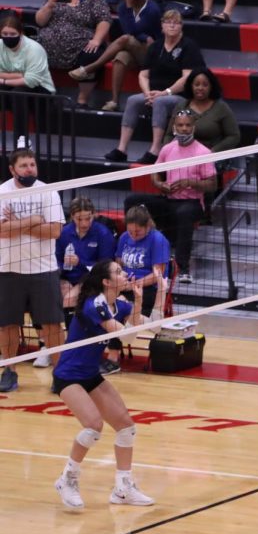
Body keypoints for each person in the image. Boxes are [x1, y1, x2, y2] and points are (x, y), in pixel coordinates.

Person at [51, 259, 155, 509]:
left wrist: (140, 303)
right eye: (119, 272)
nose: (125, 274)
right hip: (68, 375)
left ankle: (123, 489)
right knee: (93, 426)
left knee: (126, 427)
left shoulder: (118, 304)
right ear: (106, 282)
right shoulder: (93, 305)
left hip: (89, 374)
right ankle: (67, 479)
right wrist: (146, 323)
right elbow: (127, 335)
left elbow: (138, 323)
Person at [124, 110, 216, 284]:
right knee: (132, 201)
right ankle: (133, 252)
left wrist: (190, 182)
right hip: (169, 199)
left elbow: (212, 184)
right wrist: (160, 185)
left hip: (192, 202)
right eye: (180, 125)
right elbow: (155, 174)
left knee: (184, 213)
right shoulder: (168, 148)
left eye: (188, 125)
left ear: (193, 127)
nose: (184, 129)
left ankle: (183, 268)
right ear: (174, 127)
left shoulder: (204, 152)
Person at [0, 148, 65, 392]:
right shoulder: (2, 192)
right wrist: (33, 220)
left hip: (43, 269)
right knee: (7, 325)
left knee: (51, 325)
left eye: (32, 164)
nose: (29, 169)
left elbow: (55, 231)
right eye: (24, 165)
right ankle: (9, 371)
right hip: (8, 268)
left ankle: (61, 375)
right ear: (12, 169)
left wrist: (15, 224)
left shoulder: (47, 191)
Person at [105, 9, 206, 164]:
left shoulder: (188, 46)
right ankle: (122, 149)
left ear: (181, 26)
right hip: (155, 94)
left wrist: (165, 93)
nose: (172, 25)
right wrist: (147, 94)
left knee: (160, 102)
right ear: (162, 26)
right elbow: (143, 75)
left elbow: (187, 78)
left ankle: (155, 150)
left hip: (180, 96)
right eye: (168, 22)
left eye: (176, 22)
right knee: (133, 100)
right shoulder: (155, 46)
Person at [68, 0, 162, 112]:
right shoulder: (123, 7)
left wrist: (145, 38)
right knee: (121, 56)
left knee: (125, 38)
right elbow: (130, 29)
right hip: (136, 48)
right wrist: (143, 36)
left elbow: (140, 32)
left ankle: (91, 68)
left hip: (153, 53)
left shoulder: (152, 8)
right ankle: (114, 101)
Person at [103, 205, 169, 374]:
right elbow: (118, 263)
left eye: (137, 232)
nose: (133, 235)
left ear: (148, 226)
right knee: (102, 303)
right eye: (130, 231)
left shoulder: (158, 240)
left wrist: (134, 284)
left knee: (116, 307)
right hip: (125, 286)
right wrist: (120, 279)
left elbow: (158, 275)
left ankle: (113, 359)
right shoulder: (124, 237)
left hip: (148, 291)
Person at [35, 0, 110, 108]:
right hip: (48, 46)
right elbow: (40, 21)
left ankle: (82, 100)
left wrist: (96, 40)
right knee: (33, 51)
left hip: (81, 45)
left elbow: (104, 20)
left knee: (93, 54)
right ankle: (43, 97)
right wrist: (49, 5)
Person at [0, 11, 56, 144]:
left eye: (12, 34)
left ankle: (22, 139)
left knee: (18, 93)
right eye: (5, 34)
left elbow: (31, 80)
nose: (8, 37)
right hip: (14, 83)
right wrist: (20, 75)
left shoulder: (34, 49)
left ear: (20, 33)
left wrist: (3, 79)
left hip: (41, 89)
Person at [56, 197, 117, 317]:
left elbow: (105, 267)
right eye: (79, 219)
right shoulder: (64, 233)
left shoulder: (103, 234)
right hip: (67, 278)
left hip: (91, 279)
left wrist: (80, 263)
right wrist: (62, 275)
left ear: (93, 214)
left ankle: (76, 332)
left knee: (69, 299)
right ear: (72, 216)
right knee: (55, 293)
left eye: (88, 218)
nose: (84, 223)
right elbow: (55, 260)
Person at [162, 68, 240, 153]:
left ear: (211, 87)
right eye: (196, 84)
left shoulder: (221, 108)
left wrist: (213, 152)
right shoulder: (182, 106)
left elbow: (233, 136)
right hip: (183, 156)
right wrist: (168, 152)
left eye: (205, 85)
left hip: (211, 157)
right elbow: (169, 135)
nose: (200, 88)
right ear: (191, 86)